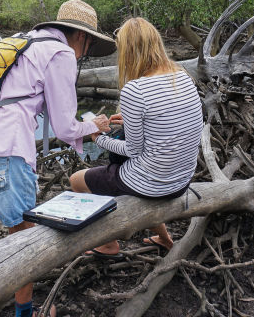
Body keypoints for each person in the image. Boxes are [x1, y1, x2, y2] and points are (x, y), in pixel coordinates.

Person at [0, 0, 115, 317]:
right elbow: (64, 125)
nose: (84, 53)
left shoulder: (17, 40)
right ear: (82, 36)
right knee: (23, 241)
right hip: (3, 152)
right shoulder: (61, 54)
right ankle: (26, 312)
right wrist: (95, 126)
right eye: (87, 45)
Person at [69, 17, 203, 256]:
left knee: (77, 180)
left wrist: (97, 137)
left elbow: (133, 151)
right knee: (135, 167)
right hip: (181, 179)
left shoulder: (135, 89)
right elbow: (165, 125)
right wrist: (129, 122)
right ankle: (165, 239)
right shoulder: (182, 75)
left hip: (154, 184)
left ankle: (108, 242)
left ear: (129, 50)